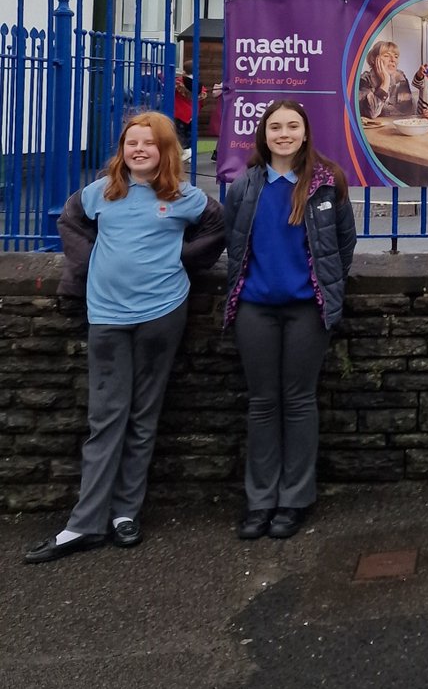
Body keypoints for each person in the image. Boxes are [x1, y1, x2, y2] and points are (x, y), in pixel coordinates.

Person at [23, 112, 224, 564]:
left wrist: (181, 259)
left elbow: (217, 229)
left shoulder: (186, 198)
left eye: (149, 143)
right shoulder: (99, 193)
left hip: (163, 315)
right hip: (108, 317)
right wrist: (90, 261)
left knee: (143, 415)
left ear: (165, 150)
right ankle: (84, 523)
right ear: (122, 149)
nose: (138, 150)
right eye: (131, 142)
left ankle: (125, 514)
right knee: (105, 418)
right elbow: (70, 223)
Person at [224, 99, 356, 541]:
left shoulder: (326, 181)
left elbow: (344, 243)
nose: (283, 133)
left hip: (307, 310)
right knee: (262, 404)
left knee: (299, 402)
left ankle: (294, 500)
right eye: (275, 126)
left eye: (292, 126)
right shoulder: (245, 186)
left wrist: (327, 287)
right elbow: (234, 242)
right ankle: (260, 500)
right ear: (264, 134)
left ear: (304, 133)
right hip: (255, 310)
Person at [358, 40, 415, 119]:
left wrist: (381, 109)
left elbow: (406, 111)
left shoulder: (400, 77)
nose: (393, 60)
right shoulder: (363, 80)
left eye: (396, 56)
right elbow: (372, 113)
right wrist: (385, 82)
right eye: (386, 56)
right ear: (373, 59)